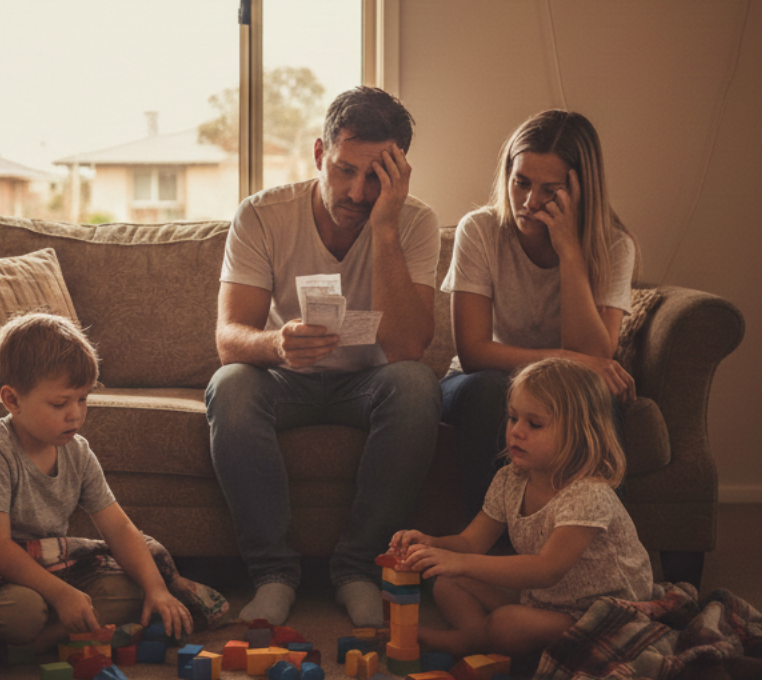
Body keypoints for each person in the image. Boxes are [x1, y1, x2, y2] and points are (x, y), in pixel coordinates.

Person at [206, 86, 443, 627]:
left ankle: (358, 569)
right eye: (344, 170)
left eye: (376, 177)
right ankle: (272, 576)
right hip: (284, 379)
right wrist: (276, 343)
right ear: (319, 155)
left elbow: (407, 349)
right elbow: (228, 339)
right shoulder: (262, 216)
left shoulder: (414, 222)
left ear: (400, 174)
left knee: (415, 385)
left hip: (368, 384)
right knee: (231, 386)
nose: (357, 192)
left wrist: (384, 227)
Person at [0, 312, 193, 653]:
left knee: (135, 590)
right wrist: (62, 594)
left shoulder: (78, 452)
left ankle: (40, 639)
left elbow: (117, 527)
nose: (75, 414)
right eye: (60, 403)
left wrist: (156, 589)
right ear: (12, 400)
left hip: (51, 567)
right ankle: (37, 637)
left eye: (83, 399)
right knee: (23, 613)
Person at [440, 109, 639, 521]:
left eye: (551, 190)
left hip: (565, 385)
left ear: (582, 190)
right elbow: (474, 351)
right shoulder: (479, 230)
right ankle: (493, 555)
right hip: (475, 382)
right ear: (507, 176)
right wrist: (573, 361)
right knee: (491, 391)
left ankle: (594, 552)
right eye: (521, 182)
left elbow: (593, 359)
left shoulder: (614, 246)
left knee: (599, 399)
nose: (530, 203)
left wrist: (569, 250)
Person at [388, 357, 653, 658]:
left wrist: (460, 561)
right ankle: (484, 642)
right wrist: (433, 546)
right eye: (513, 418)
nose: (516, 431)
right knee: (447, 581)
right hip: (543, 600)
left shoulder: (588, 494)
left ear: (578, 433)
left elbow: (546, 570)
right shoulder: (510, 480)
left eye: (534, 423)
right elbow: (470, 543)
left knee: (507, 623)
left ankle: (466, 643)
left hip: (600, 615)